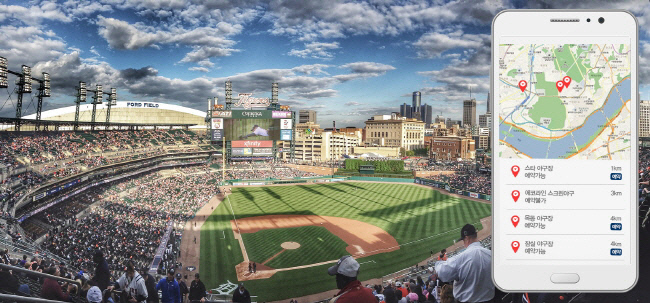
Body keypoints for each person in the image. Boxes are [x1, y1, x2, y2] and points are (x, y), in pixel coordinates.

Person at [434, 224, 494, 303]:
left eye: (463, 240)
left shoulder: (460, 258)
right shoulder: (491, 254)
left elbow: (442, 272)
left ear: (467, 238)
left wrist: (438, 263)